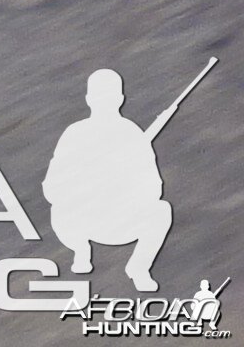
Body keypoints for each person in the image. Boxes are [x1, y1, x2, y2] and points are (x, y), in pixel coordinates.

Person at [43, 68, 176, 291]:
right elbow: (51, 187)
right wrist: (84, 188)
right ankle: (81, 251)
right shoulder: (75, 134)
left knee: (161, 210)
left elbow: (155, 188)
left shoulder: (133, 134)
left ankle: (139, 267)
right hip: (83, 220)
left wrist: (124, 185)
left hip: (122, 220)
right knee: (58, 209)